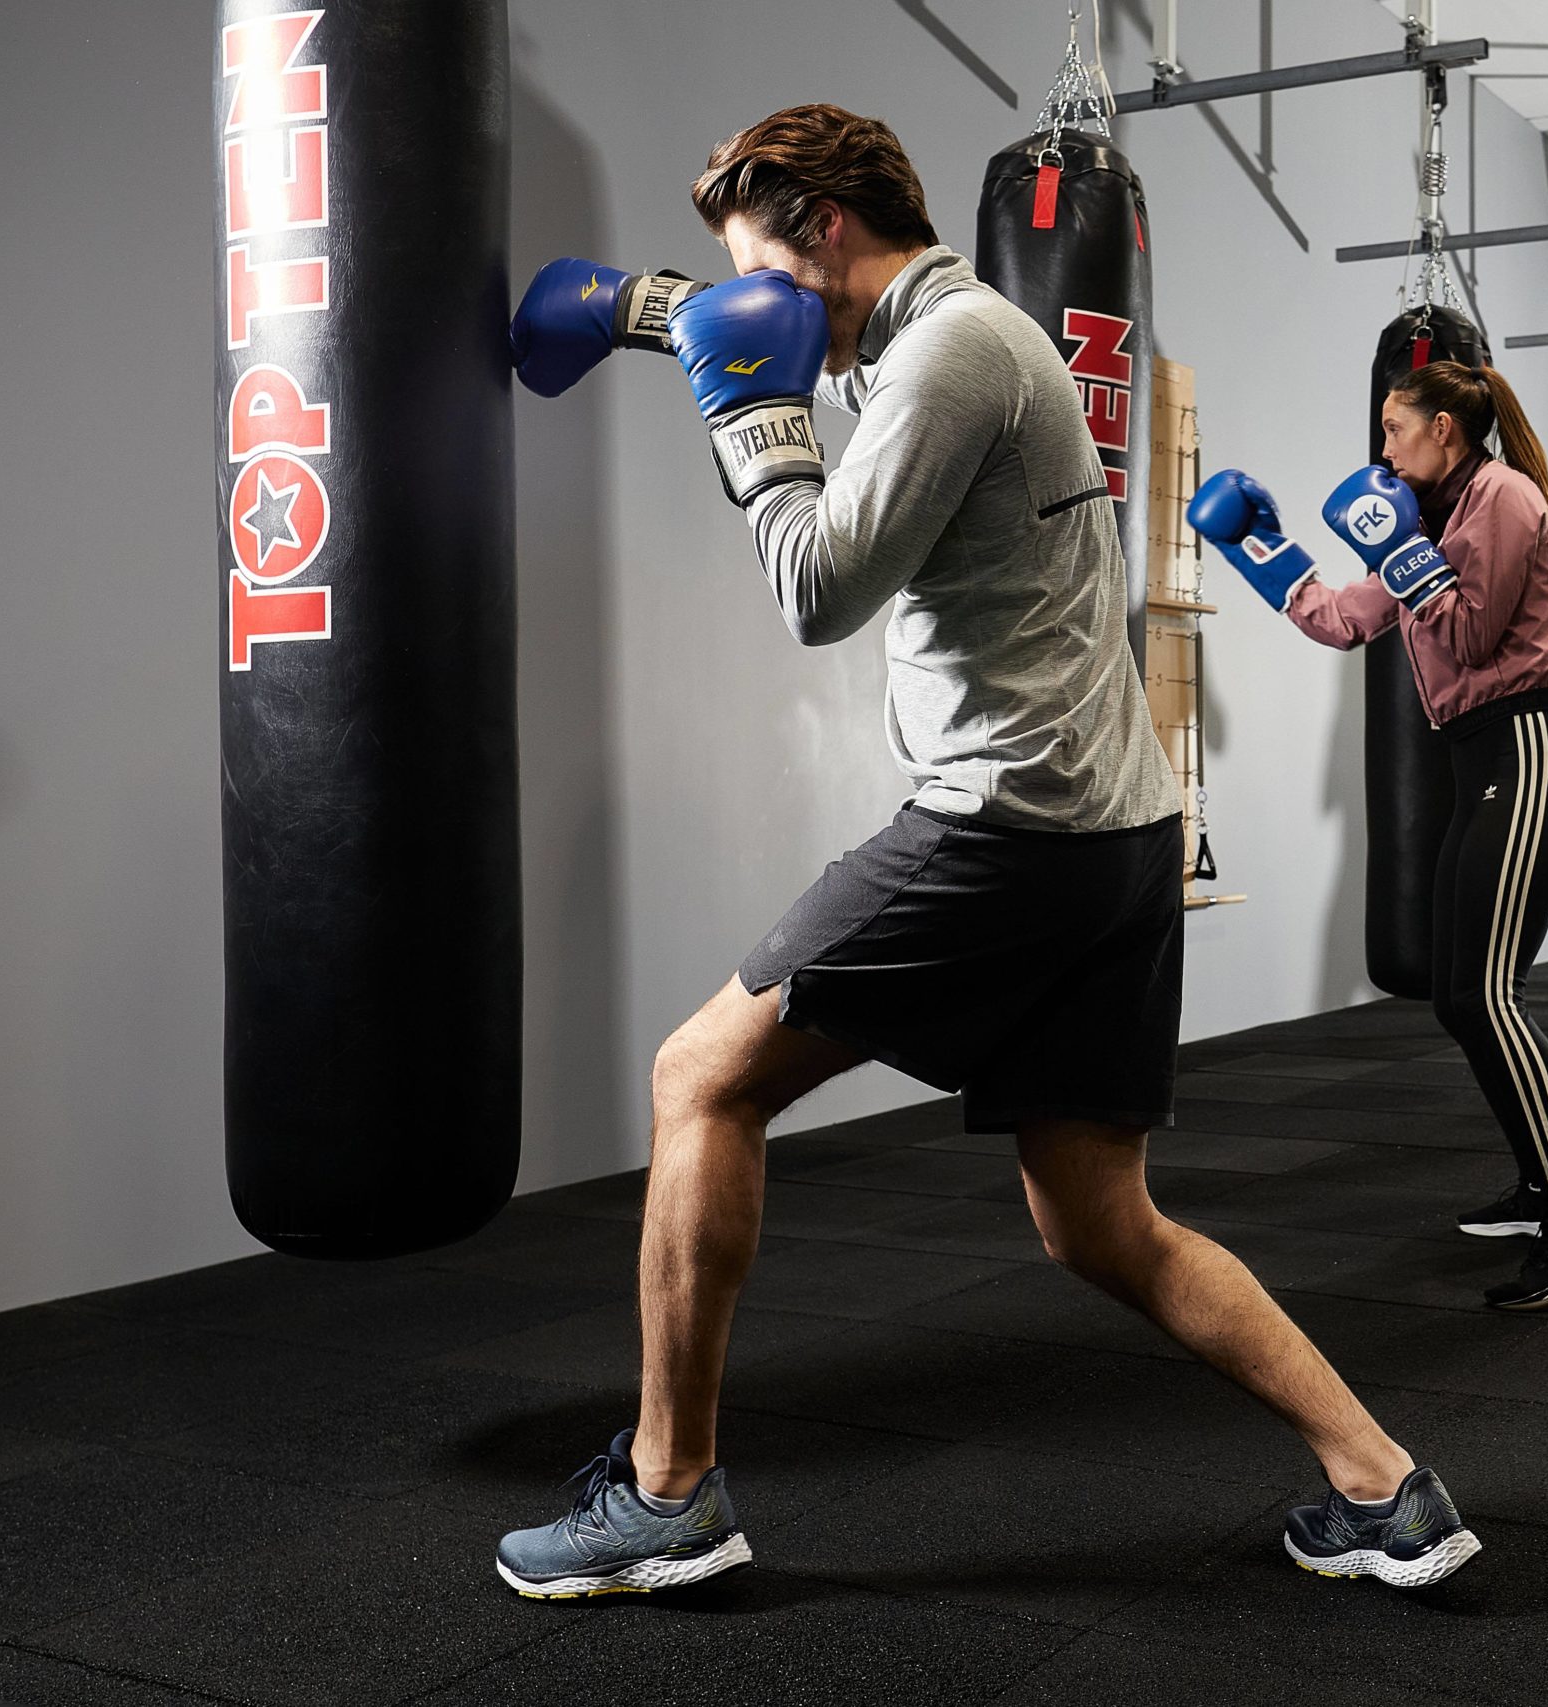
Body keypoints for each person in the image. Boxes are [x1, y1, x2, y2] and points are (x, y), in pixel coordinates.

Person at [493, 103, 1479, 1598]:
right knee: (1100, 1219)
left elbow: (819, 587)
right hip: (1116, 828)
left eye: (766, 262)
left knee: (700, 1074)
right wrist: (641, 309)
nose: (755, 305)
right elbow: (751, 321)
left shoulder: (952, 353)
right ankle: (1385, 1485)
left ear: (828, 228)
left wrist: (742, 416)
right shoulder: (942, 333)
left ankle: (666, 1489)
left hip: (1007, 824)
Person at [1189, 361, 1548, 1312]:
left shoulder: (1505, 497)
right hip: (1478, 767)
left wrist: (1403, 546)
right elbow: (1349, 623)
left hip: (1525, 754)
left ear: (1445, 427)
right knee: (1458, 994)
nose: (1384, 449)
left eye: (1396, 431)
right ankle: (1540, 1181)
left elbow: (1474, 638)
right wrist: (1260, 548)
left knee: (1486, 993)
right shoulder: (1430, 520)